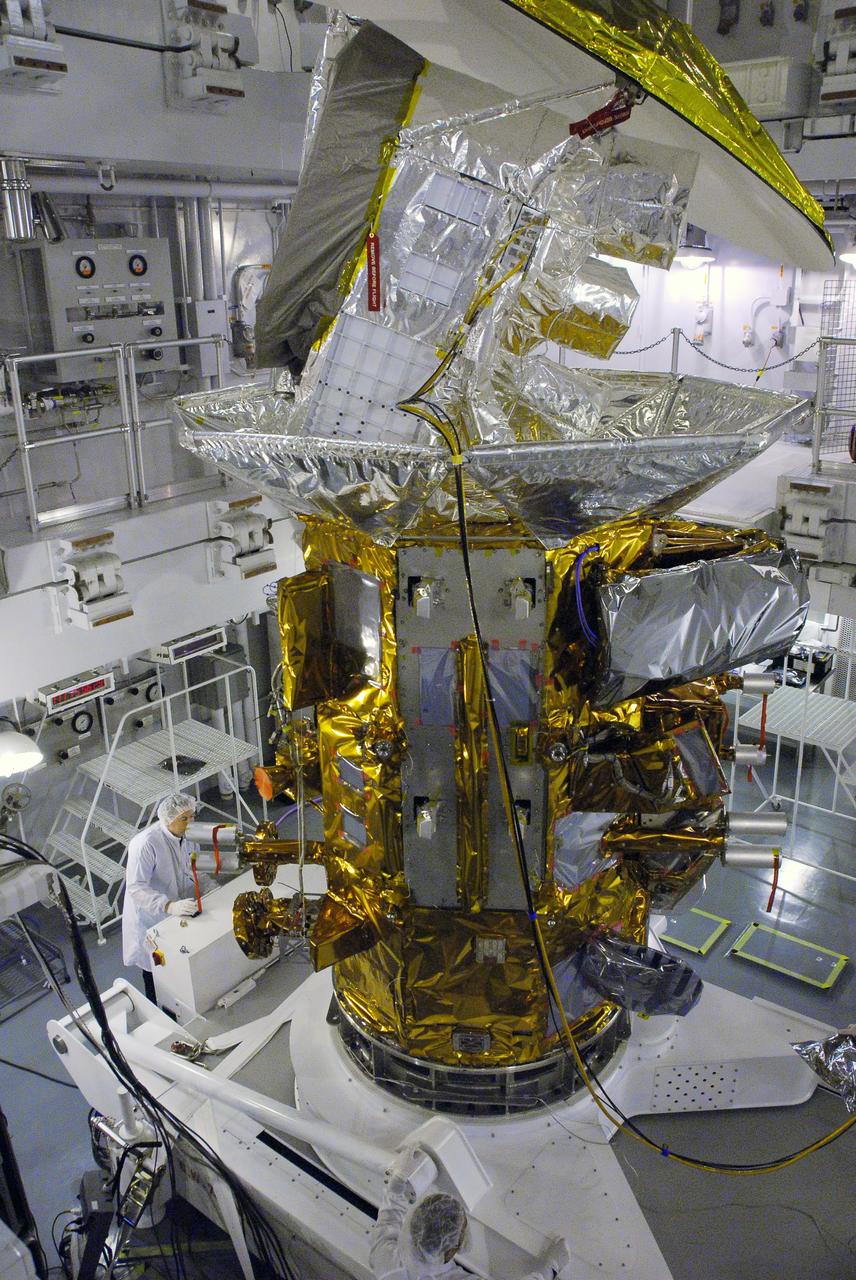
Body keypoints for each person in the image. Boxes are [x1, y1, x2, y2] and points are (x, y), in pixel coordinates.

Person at [370, 1152, 571, 1280]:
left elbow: (388, 1219)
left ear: (415, 1225)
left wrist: (396, 1184)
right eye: (464, 1228)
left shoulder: (387, 1262)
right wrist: (551, 1268)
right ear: (450, 1252)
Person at [122, 793, 212, 1002]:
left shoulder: (188, 837)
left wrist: (209, 886)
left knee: (178, 964)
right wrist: (168, 906)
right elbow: (136, 888)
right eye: (184, 818)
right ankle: (159, 1014)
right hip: (151, 917)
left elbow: (194, 867)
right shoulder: (146, 844)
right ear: (168, 819)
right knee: (155, 969)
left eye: (192, 816)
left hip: (180, 910)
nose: (190, 823)